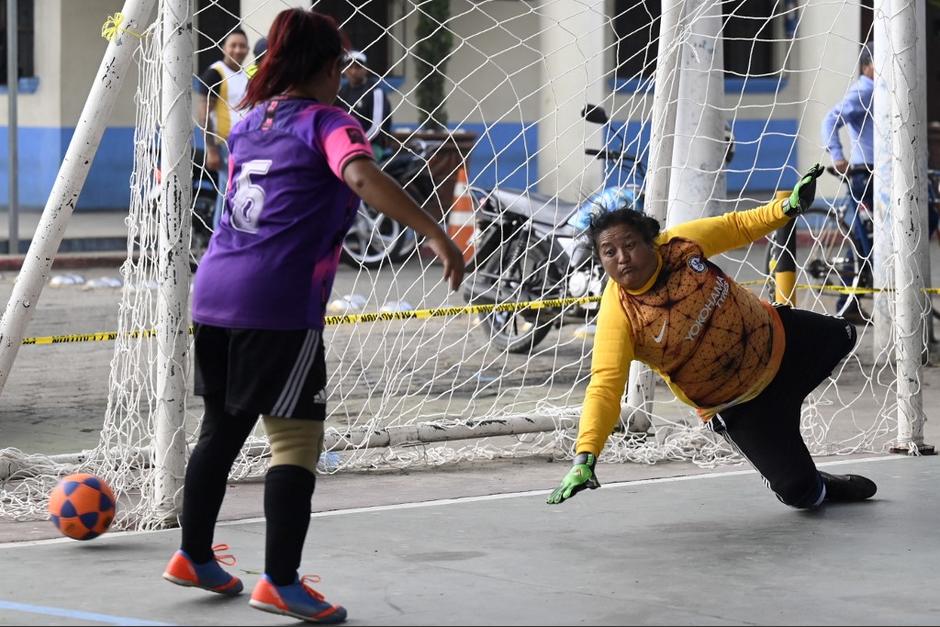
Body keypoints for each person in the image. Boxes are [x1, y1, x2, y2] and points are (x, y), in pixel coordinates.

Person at [161, 8, 465, 624]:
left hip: (215, 289)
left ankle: (193, 554)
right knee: (296, 438)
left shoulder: (250, 121)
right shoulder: (328, 121)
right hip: (277, 300)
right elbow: (359, 173)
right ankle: (279, 581)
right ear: (330, 68)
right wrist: (433, 230)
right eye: (342, 68)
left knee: (221, 425)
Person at [547, 164, 878, 511]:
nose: (622, 258)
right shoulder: (620, 314)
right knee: (802, 496)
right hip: (737, 406)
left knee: (844, 333)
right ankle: (815, 477)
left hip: (782, 342)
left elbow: (736, 227)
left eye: (630, 245)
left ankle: (790, 407)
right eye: (609, 252)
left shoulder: (680, 245)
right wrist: (585, 456)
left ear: (651, 241)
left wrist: (787, 208)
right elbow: (604, 386)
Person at [820, 41, 875, 325]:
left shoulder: (882, 92)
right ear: (868, 65)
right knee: (867, 242)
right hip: (866, 175)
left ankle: (848, 302)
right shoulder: (865, 90)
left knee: (860, 239)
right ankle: (847, 303)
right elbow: (831, 118)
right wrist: (837, 155)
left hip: (876, 174)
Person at [196, 28, 251, 229]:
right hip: (224, 145)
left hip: (244, 146)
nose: (238, 50)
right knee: (227, 192)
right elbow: (204, 113)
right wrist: (211, 149)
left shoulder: (244, 76)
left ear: (248, 49)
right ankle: (219, 237)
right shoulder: (215, 74)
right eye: (233, 45)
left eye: (242, 45)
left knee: (238, 194)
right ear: (223, 48)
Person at [337, 49, 393, 161]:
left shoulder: (375, 91)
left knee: (358, 164)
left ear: (365, 69)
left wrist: (358, 143)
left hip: (372, 143)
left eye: (358, 67)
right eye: (350, 67)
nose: (353, 71)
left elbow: (376, 127)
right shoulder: (343, 91)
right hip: (346, 142)